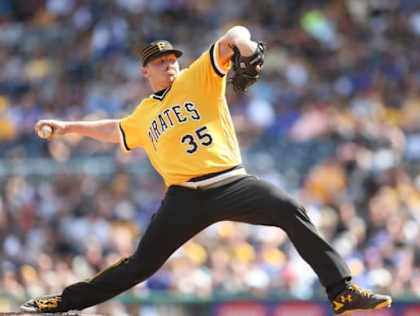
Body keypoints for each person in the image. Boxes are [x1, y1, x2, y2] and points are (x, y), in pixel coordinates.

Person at [21, 26, 391, 315]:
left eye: (172, 59)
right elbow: (115, 130)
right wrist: (68, 127)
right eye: (160, 61)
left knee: (289, 209)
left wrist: (245, 47)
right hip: (184, 197)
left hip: (231, 181)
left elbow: (233, 36)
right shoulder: (143, 114)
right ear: (145, 71)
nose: (169, 64)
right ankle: (65, 304)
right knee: (140, 265)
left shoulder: (197, 78)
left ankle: (341, 292)